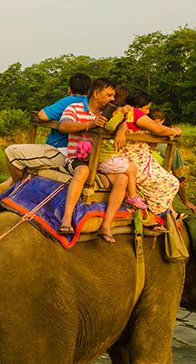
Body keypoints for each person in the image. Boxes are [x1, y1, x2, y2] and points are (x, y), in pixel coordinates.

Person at [55, 78, 146, 242]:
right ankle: (67, 218)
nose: (112, 99)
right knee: (83, 170)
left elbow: (121, 121)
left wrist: (121, 131)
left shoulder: (110, 110)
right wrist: (90, 123)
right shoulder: (75, 108)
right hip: (78, 158)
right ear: (96, 93)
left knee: (123, 178)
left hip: (100, 160)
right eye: (109, 95)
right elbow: (64, 126)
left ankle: (106, 225)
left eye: (113, 95)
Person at [0, 73, 91, 199]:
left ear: (69, 89)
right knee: (26, 157)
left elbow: (42, 115)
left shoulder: (69, 101)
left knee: (11, 152)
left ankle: (16, 187)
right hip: (79, 152)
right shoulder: (88, 104)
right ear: (89, 90)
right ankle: (8, 183)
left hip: (59, 150)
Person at [118, 89, 184, 221]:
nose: (148, 112)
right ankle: (157, 213)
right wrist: (175, 131)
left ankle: (166, 210)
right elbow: (158, 129)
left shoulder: (122, 114)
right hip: (135, 159)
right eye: (147, 108)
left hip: (127, 156)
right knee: (171, 182)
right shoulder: (134, 113)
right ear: (137, 106)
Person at [148, 108, 196, 212]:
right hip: (162, 188)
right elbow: (178, 178)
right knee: (191, 216)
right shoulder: (169, 147)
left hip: (142, 185)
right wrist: (185, 201)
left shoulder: (138, 139)